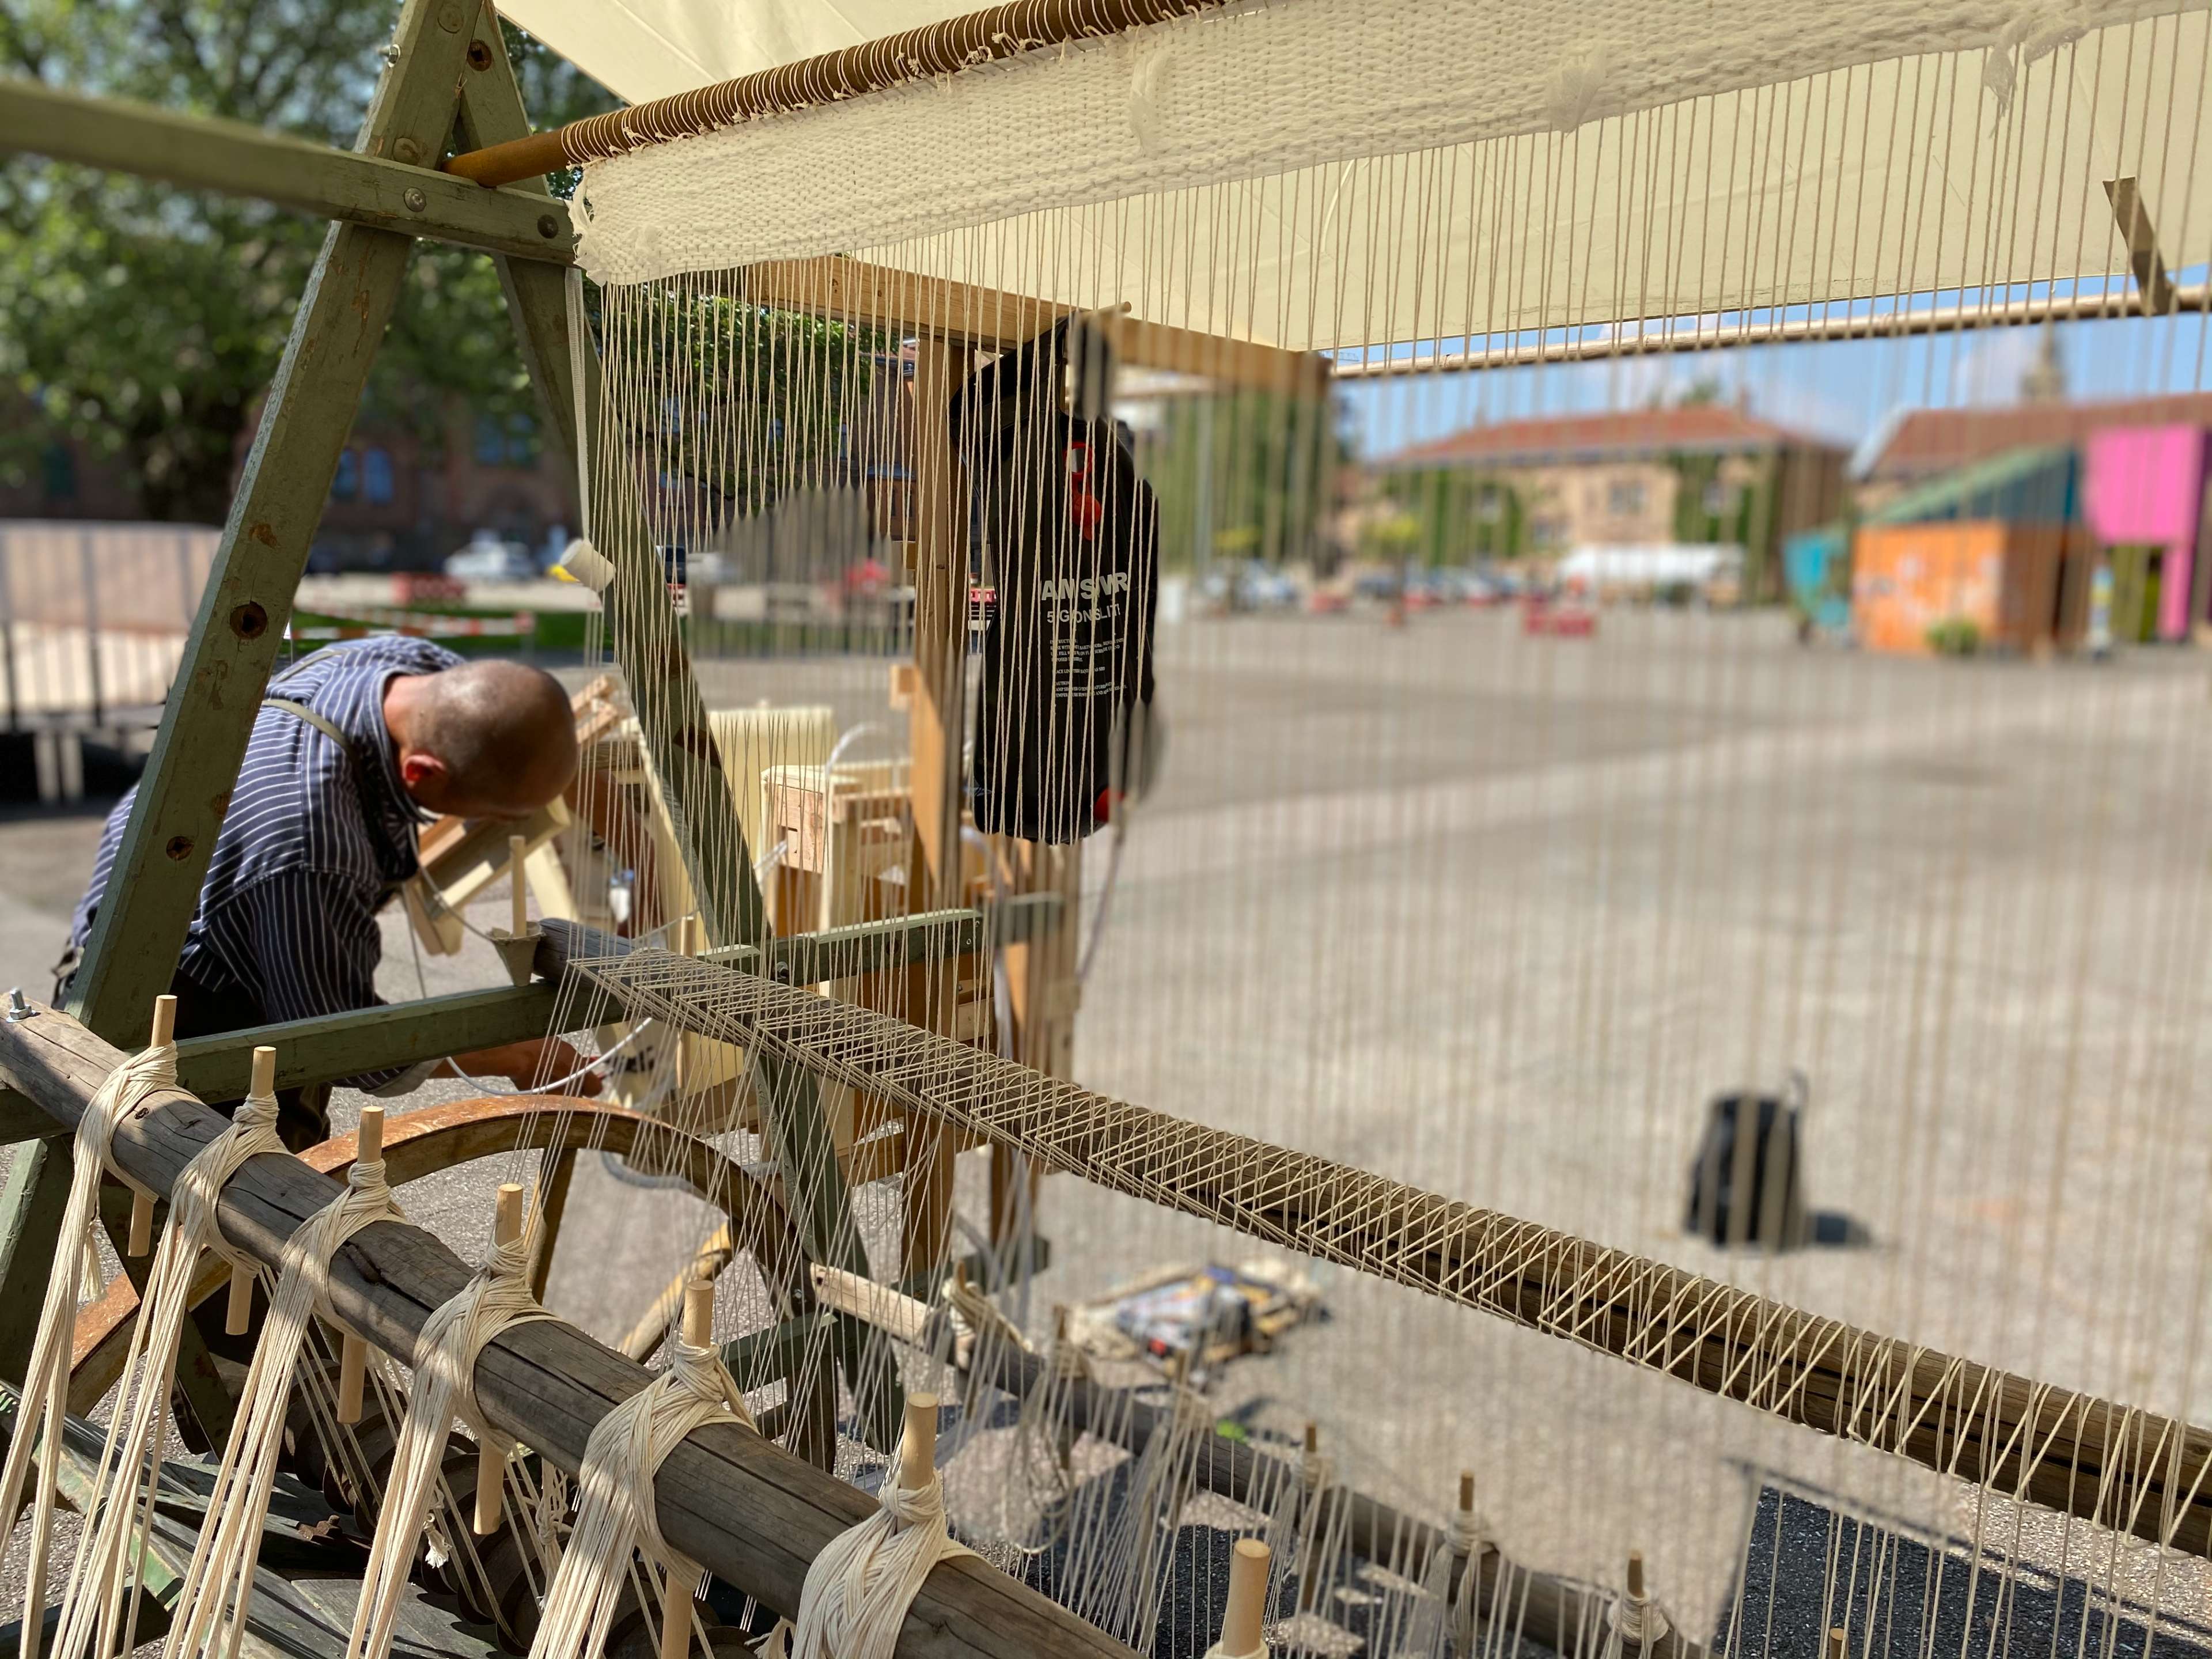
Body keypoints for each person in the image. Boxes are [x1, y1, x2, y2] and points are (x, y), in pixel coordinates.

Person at [61, 635, 599, 1150]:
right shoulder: (312, 847)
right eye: (497, 815)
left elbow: (520, 725)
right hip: (175, 1004)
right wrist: (518, 1055)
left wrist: (631, 864)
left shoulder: (407, 665)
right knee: (252, 1197)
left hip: (219, 897)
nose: (507, 825)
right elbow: (339, 1036)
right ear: (421, 773)